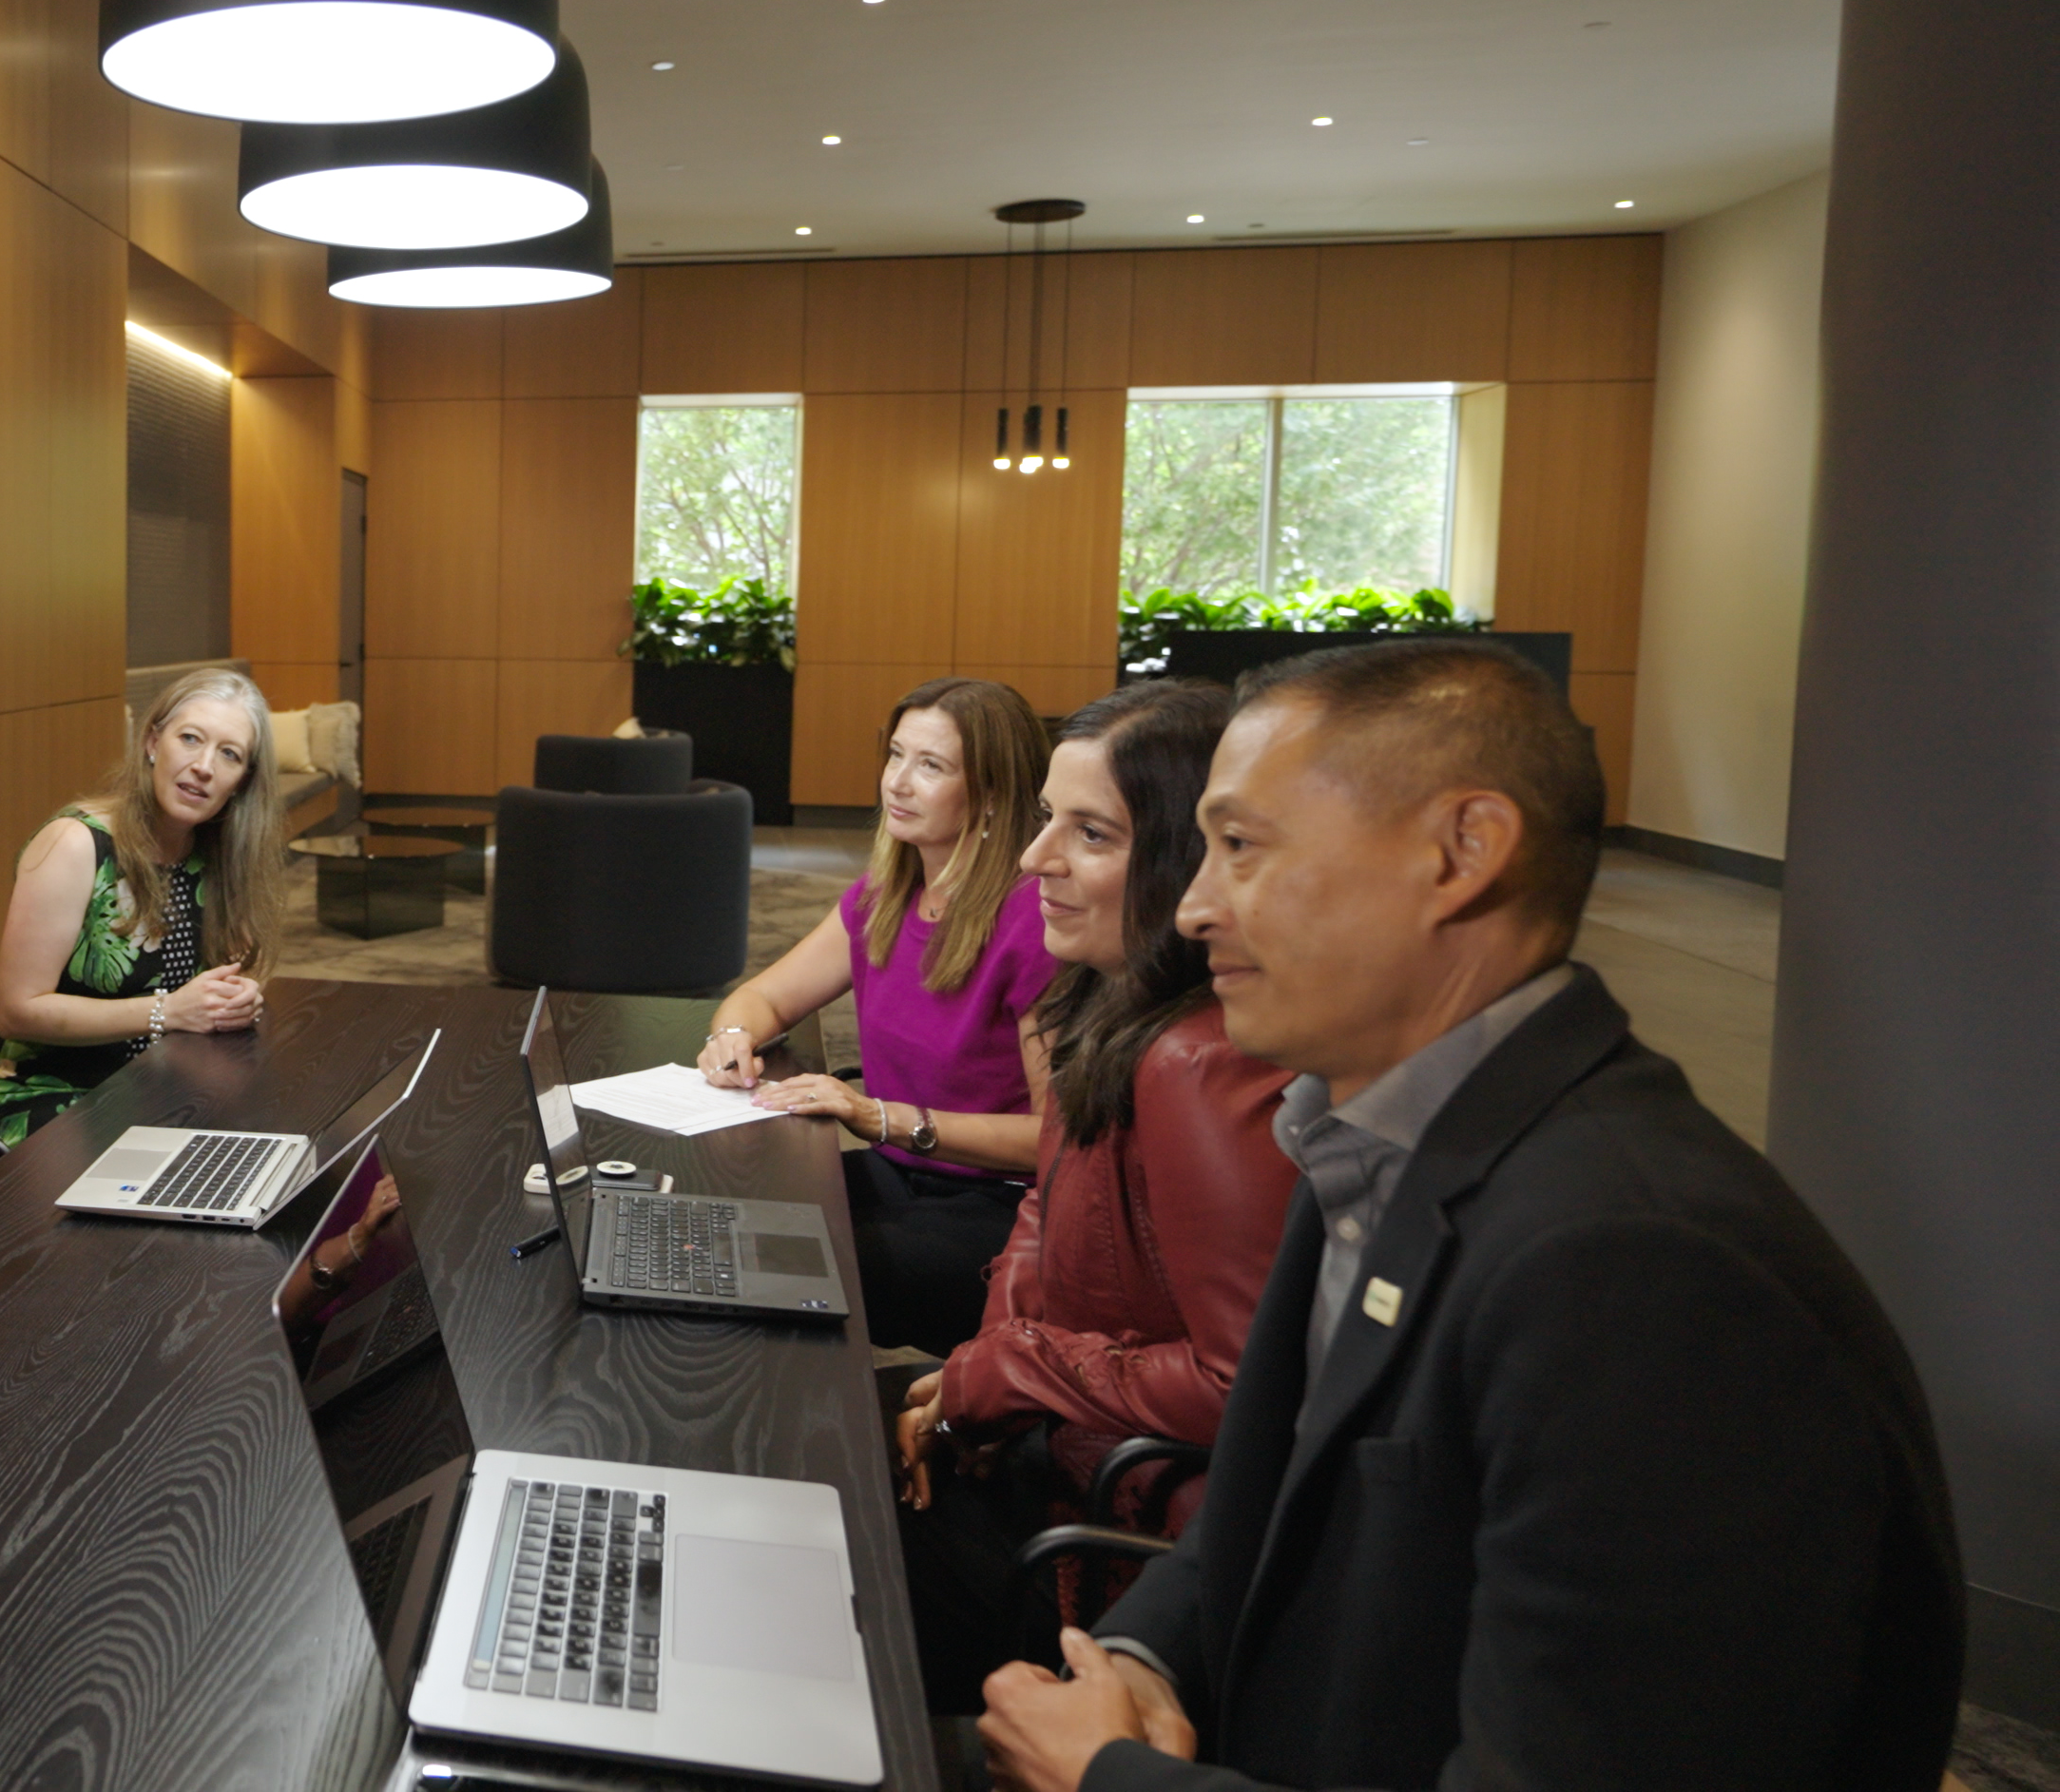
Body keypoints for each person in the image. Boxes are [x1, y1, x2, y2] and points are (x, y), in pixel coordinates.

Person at [974, 638, 1962, 1792]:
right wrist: (1145, 1660)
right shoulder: (1368, 1133)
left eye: (1239, 847)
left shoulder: (1637, 1270)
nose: (1194, 907)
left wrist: (1113, 1779)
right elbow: (1272, 1508)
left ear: (1464, 853)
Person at [882, 681, 1296, 1714]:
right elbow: (1040, 1217)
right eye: (1042, 823)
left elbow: (1242, 1382)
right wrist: (978, 1372)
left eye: (1092, 834)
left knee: (819, 1515)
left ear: (1186, 859)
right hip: (1056, 1451)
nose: (1034, 861)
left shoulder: (1197, 1066)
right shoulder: (1109, 1007)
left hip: (1116, 1547)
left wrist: (1010, 1371)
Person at [701, 675, 1057, 1353]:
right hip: (903, 1174)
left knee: (779, 1271)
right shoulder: (885, 898)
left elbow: (1053, 1140)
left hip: (1003, 1209)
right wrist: (732, 1037)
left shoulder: (1032, 922)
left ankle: (812, 1447)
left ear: (990, 793)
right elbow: (762, 998)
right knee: (727, 1219)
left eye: (931, 766)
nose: (897, 782)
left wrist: (877, 1117)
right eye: (895, 755)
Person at [0, 666, 285, 1146]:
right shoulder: (75, 845)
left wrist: (232, 1000)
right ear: (153, 743)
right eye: (191, 739)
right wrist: (168, 1011)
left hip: (159, 1086)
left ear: (241, 781)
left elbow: (211, 982)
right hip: (42, 1096)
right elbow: (17, 1010)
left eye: (229, 754)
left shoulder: (216, 855)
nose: (204, 766)